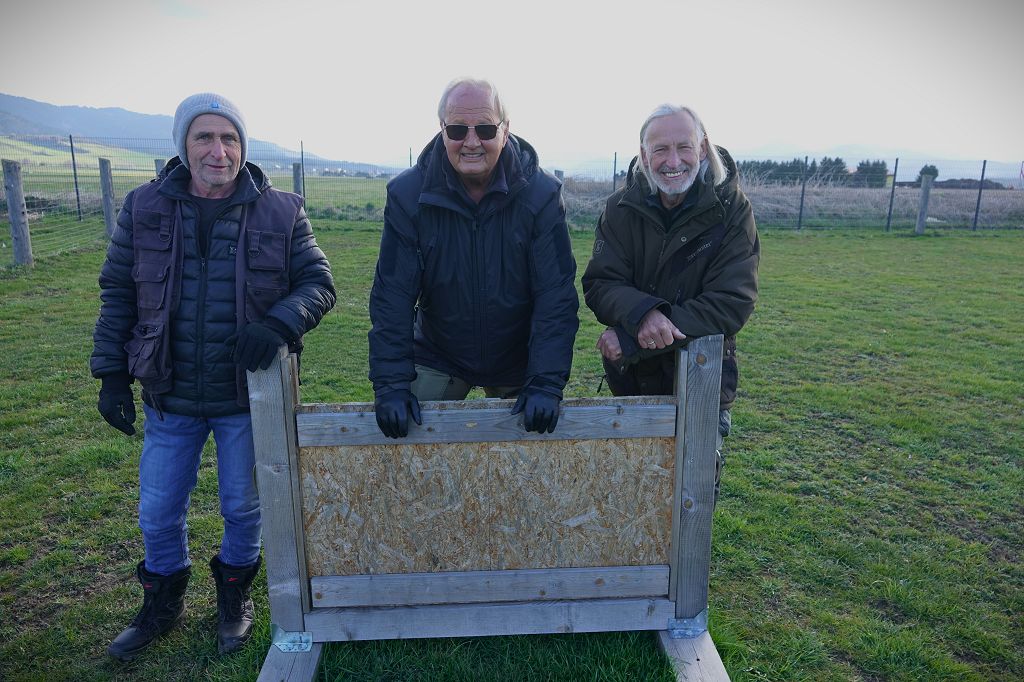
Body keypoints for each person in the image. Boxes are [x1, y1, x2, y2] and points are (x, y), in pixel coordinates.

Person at [90, 92, 336, 661]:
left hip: (246, 397)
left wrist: (279, 322)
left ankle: (233, 598)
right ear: (184, 145)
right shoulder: (144, 206)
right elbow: (118, 292)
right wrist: (110, 375)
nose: (218, 151)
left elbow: (319, 284)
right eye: (204, 137)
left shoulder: (283, 211)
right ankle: (162, 602)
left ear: (243, 147)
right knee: (157, 510)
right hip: (168, 393)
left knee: (243, 506)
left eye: (229, 138)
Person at [368, 77, 579, 437]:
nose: (470, 142)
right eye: (456, 129)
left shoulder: (541, 195)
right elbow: (393, 295)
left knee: (535, 454)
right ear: (442, 130)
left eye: (484, 129)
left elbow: (555, 295)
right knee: (407, 448)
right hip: (440, 351)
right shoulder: (408, 195)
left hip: (518, 355)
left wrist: (545, 382)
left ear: (505, 130)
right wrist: (391, 384)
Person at [581, 104, 759, 497]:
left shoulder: (732, 210)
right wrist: (645, 315)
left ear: (703, 147)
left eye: (684, 147)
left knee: (691, 498)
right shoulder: (619, 209)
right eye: (660, 149)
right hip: (633, 384)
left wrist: (633, 338)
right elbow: (601, 283)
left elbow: (730, 302)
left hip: (702, 379)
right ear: (644, 155)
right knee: (635, 494)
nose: (673, 161)